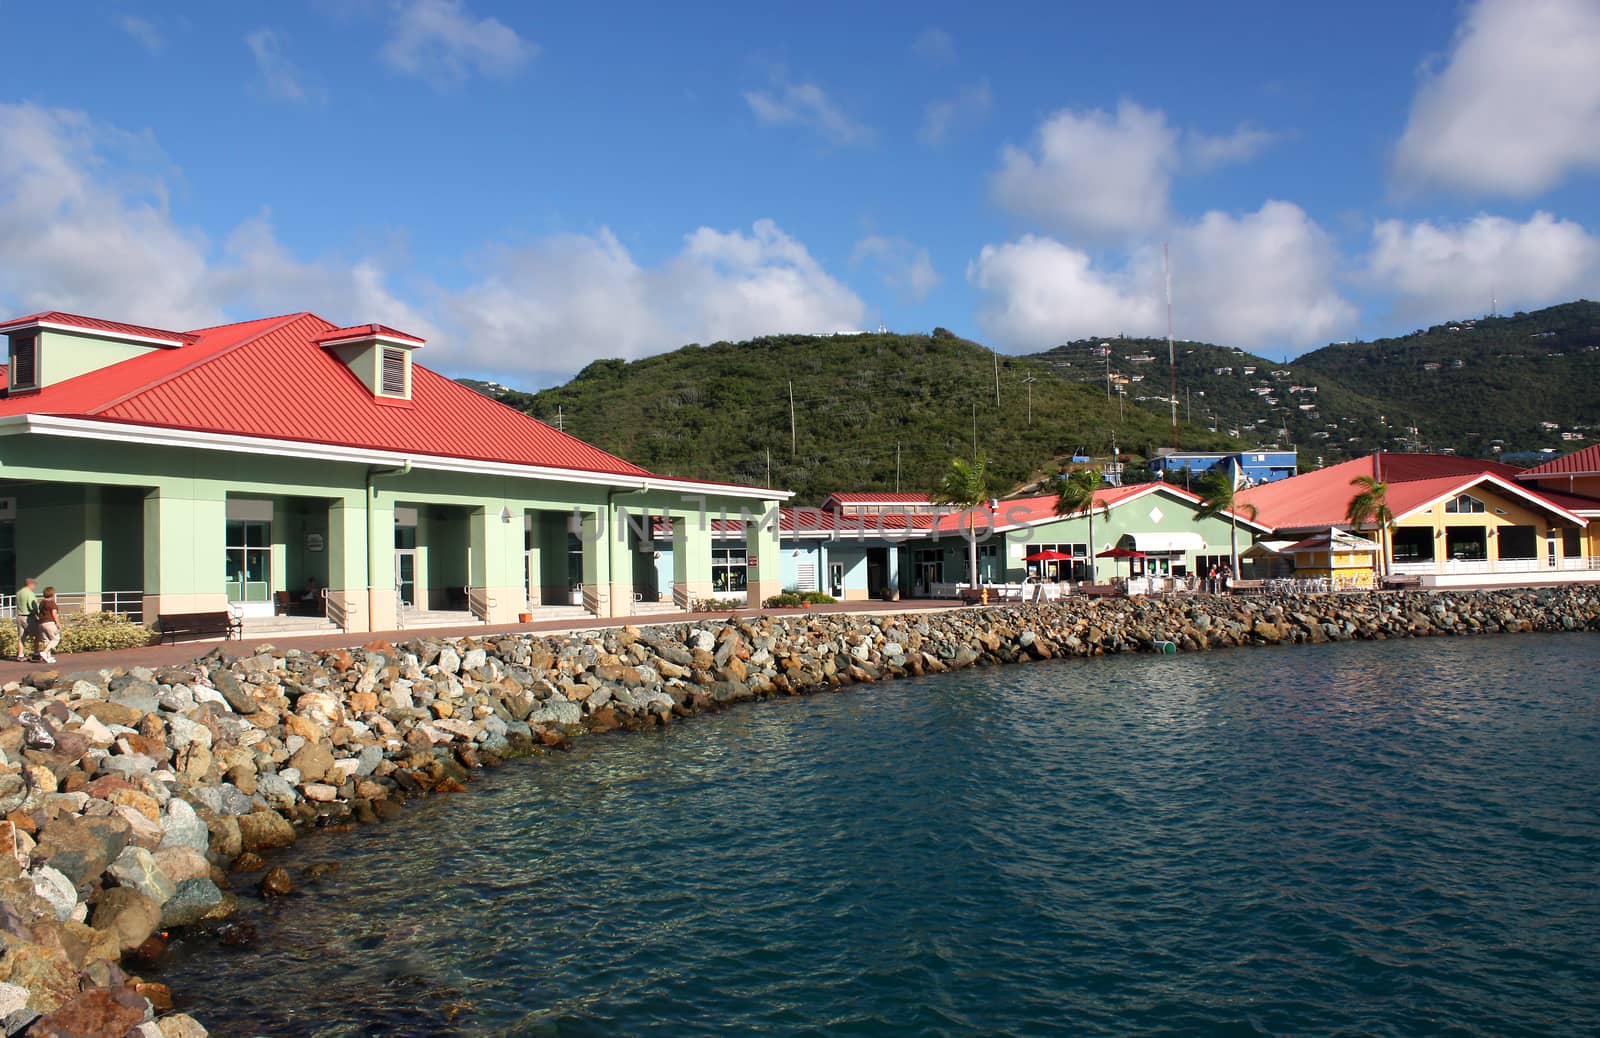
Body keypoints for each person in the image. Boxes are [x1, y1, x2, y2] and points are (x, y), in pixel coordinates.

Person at [13, 577, 38, 662]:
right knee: (37, 635)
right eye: (34, 585)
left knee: (21, 637)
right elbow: (33, 607)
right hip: (28, 617)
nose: (34, 587)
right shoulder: (29, 593)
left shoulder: (19, 593)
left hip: (19, 616)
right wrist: (37, 615)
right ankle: (36, 653)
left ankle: (20, 655)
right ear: (30, 584)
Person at [34, 586, 61, 664]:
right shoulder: (51, 603)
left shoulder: (42, 602)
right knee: (56, 638)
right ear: (52, 594)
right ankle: (45, 652)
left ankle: (48, 657)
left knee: (46, 640)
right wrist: (58, 624)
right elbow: (54, 614)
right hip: (49, 622)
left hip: (41, 623)